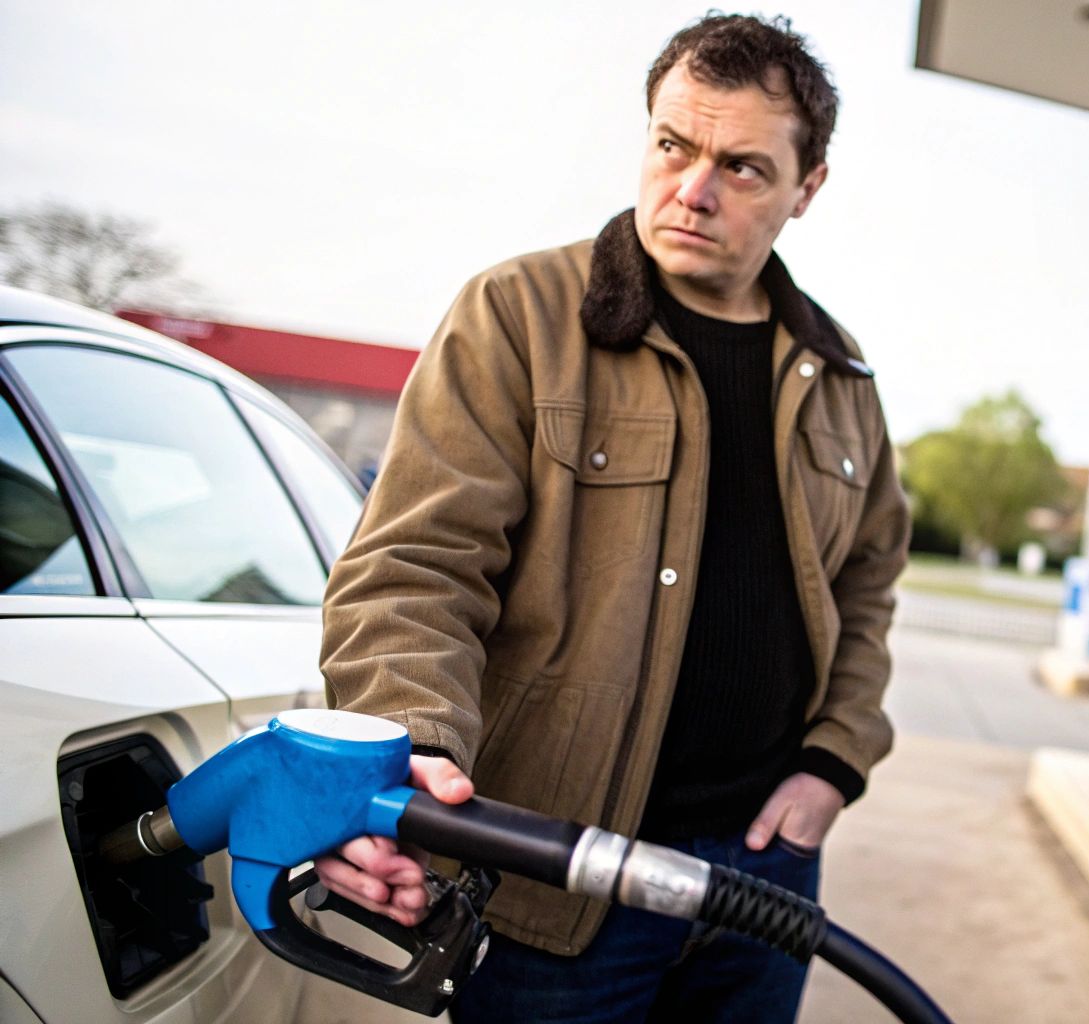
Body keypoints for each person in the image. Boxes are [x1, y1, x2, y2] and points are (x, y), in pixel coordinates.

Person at [310, 15, 910, 1022]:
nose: (692, 190)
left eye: (742, 167)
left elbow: (869, 587)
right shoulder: (518, 315)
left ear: (807, 188)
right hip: (555, 868)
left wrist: (832, 763)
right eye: (672, 145)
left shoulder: (838, 371)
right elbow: (417, 566)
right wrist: (415, 746)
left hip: (765, 874)